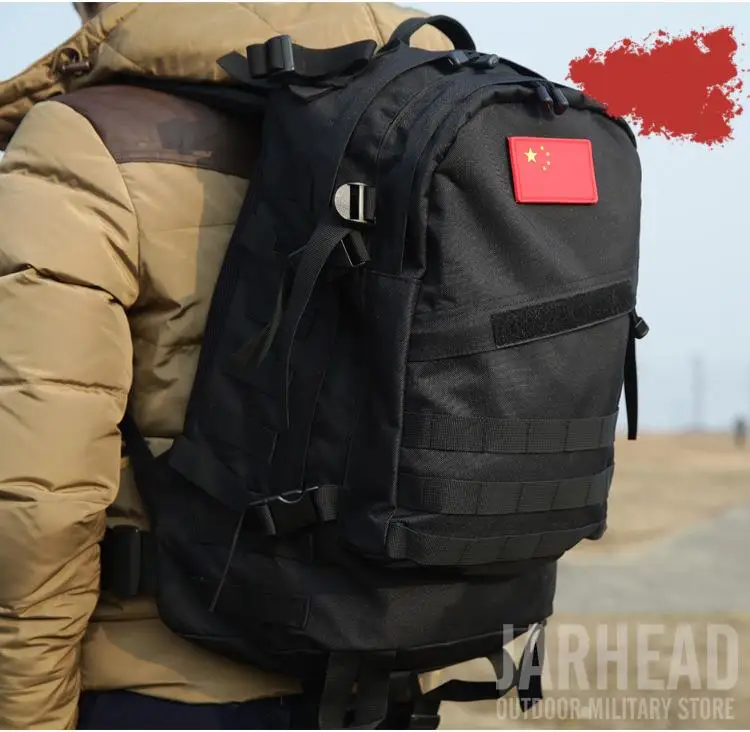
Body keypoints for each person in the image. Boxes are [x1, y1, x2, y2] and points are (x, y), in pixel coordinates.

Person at [0, 3, 451, 729]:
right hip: (382, 677)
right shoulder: (422, 105)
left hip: (167, 686)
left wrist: (26, 714)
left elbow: (41, 494)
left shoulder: (85, 138)